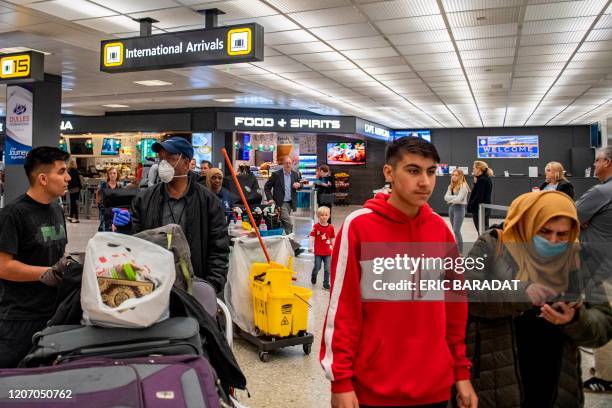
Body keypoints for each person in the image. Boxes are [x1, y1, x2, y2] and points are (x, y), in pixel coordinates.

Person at [320, 137, 477, 408]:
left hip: (436, 388)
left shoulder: (440, 231)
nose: (425, 182)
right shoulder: (359, 227)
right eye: (413, 171)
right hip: (374, 390)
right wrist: (341, 381)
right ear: (389, 173)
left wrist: (461, 371)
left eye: (431, 172)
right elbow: (343, 310)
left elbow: (455, 308)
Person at [463, 190, 612, 407]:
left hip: (555, 383)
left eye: (562, 235)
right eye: (544, 232)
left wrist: (575, 320)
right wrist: (520, 293)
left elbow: (604, 326)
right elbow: (464, 292)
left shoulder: (577, 257)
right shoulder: (494, 244)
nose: (553, 241)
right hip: (494, 380)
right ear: (527, 224)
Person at [112, 137, 229, 294]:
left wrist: (210, 287)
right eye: (161, 159)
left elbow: (219, 249)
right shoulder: (145, 198)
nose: (163, 164)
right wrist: (125, 228)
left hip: (194, 285)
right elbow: (135, 242)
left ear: (187, 163)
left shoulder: (208, 201)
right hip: (153, 284)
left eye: (171, 159)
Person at [0, 147, 74, 367]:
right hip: (18, 319)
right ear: (43, 178)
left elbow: (57, 254)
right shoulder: (13, 214)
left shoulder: (56, 210)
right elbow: (3, 266)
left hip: (52, 316)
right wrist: (48, 273)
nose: (68, 178)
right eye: (61, 172)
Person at [575, 146, 612, 393]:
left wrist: (584, 222)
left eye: (597, 160)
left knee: (603, 321)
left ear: (607, 162)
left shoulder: (601, 192)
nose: (594, 164)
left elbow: (568, 216)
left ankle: (605, 376)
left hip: (602, 269)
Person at [264, 155, 301, 235]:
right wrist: (270, 198)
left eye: (289, 163)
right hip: (280, 203)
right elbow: (267, 187)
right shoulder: (276, 175)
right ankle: (291, 243)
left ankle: (283, 240)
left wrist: (299, 185)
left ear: (292, 164)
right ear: (283, 164)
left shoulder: (295, 174)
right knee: (288, 223)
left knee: (283, 222)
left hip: (290, 203)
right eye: (286, 163)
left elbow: (300, 186)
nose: (288, 165)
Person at [308, 206, 334, 290]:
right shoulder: (316, 227)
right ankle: (314, 275)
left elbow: (332, 238)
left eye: (326, 215)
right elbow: (311, 237)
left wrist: (334, 247)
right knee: (317, 267)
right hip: (318, 252)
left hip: (328, 252)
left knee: (327, 269)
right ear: (318, 216)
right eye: (322, 215)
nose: (324, 217)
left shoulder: (331, 227)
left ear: (329, 216)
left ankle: (326, 284)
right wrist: (310, 247)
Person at [444, 169, 470, 252]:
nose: (454, 176)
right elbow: (445, 197)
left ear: (460, 176)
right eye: (453, 175)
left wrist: (451, 199)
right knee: (455, 231)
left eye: (456, 175)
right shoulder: (450, 186)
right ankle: (456, 249)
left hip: (459, 208)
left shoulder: (463, 186)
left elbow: (459, 199)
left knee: (456, 230)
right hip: (451, 208)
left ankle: (460, 251)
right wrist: (454, 198)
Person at [468, 160, 493, 234]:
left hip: (479, 209)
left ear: (479, 169)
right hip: (485, 208)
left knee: (481, 231)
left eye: (474, 168)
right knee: (484, 229)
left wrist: (472, 205)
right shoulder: (486, 179)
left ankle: (484, 245)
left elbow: (479, 196)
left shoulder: (482, 180)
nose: (473, 170)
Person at [96, 167, 121, 232]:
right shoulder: (104, 185)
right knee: (104, 226)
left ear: (117, 175)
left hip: (114, 210)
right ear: (108, 175)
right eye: (110, 173)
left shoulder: (119, 186)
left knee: (114, 227)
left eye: (114, 173)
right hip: (104, 209)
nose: (112, 175)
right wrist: (98, 204)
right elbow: (98, 193)